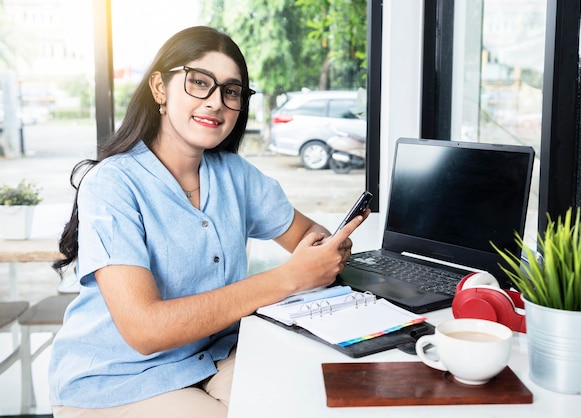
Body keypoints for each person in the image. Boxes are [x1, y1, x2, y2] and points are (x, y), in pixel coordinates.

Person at [48, 26, 368, 418]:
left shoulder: (236, 175)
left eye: (231, 91)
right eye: (199, 82)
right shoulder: (113, 183)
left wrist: (328, 252)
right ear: (160, 88)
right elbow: (145, 329)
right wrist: (293, 276)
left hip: (213, 356)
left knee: (314, 400)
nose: (216, 102)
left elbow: (308, 237)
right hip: (118, 379)